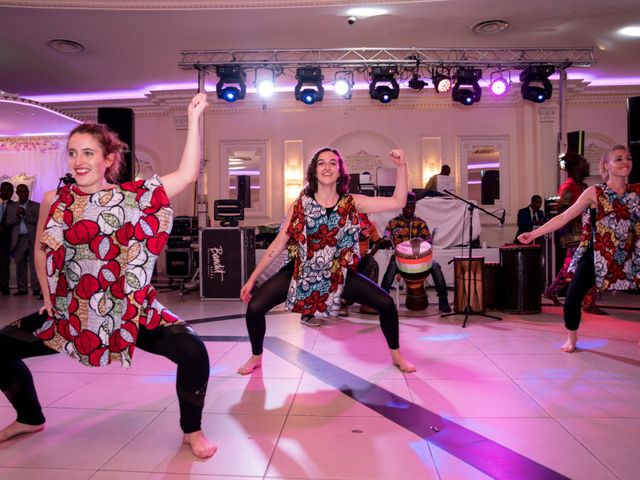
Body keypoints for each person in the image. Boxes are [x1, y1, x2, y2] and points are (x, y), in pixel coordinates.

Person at [0, 93, 216, 459]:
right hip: (72, 311)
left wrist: (193, 119)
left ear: (108, 159)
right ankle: (29, 417)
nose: (78, 160)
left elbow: (186, 174)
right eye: (72, 152)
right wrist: (51, 300)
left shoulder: (132, 198)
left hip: (128, 310)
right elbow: (41, 250)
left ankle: (191, 430)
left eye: (87, 152)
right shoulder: (57, 198)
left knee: (193, 352)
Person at [238, 147, 416, 375]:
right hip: (301, 271)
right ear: (314, 171)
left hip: (337, 273)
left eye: (333, 163)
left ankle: (396, 355)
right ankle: (256, 356)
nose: (327, 167)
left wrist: (402, 166)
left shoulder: (352, 202)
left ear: (340, 172)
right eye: (321, 163)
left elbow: (398, 201)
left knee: (386, 304)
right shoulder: (299, 205)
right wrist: (252, 279)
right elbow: (276, 245)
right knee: (255, 308)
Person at [518, 145, 639, 353]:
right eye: (618, 159)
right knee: (573, 296)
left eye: (628, 158)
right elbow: (565, 216)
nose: (625, 162)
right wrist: (534, 234)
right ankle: (571, 338)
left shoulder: (637, 192)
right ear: (606, 165)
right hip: (598, 253)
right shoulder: (594, 192)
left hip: (628, 253)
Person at [543, 153, 604, 314]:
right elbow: (563, 210)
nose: (587, 165)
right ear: (575, 167)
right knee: (585, 266)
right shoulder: (569, 186)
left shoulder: (581, 186)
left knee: (572, 267)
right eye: (583, 162)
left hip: (585, 233)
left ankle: (551, 292)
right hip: (574, 235)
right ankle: (588, 302)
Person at [380, 192, 452, 313]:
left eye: (411, 207)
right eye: (406, 206)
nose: (409, 209)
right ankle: (382, 301)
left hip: (419, 261)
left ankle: (443, 300)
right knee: (392, 267)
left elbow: (429, 240)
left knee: (435, 266)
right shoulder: (393, 223)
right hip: (401, 260)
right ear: (402, 206)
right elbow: (386, 236)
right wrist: (386, 240)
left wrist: (423, 242)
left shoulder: (420, 223)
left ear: (415, 207)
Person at [5, 184, 40, 297]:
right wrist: (16, 216)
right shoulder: (12, 207)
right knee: (20, 264)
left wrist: (26, 215)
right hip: (19, 239)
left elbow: (38, 222)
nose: (22, 193)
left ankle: (36, 288)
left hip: (32, 238)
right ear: (17, 193)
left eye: (24, 191)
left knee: (35, 265)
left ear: (28, 192)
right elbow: (8, 223)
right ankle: (22, 288)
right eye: (20, 191)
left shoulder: (36, 205)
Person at [0, 181, 15, 295]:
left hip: (5, 239)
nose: (9, 192)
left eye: (11, 190)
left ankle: (4, 287)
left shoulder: (14, 205)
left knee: (4, 265)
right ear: (1, 190)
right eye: (6, 190)